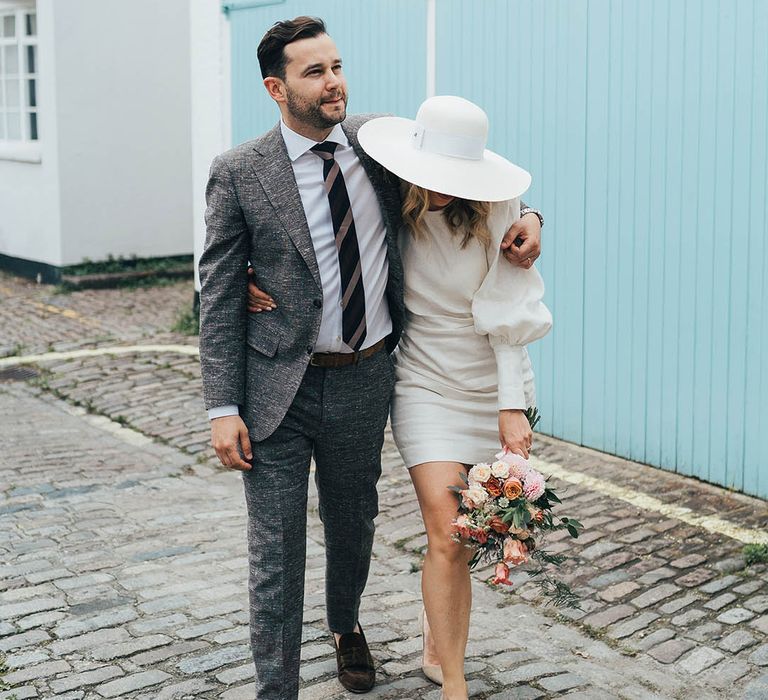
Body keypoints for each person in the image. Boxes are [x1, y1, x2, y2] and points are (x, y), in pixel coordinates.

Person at [200, 16, 544, 700]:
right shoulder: (240, 172)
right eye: (314, 72)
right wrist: (221, 405)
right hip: (279, 387)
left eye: (337, 66)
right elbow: (215, 287)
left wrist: (533, 217)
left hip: (367, 378)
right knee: (277, 549)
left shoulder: (379, 145)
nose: (335, 83)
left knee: (354, 522)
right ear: (276, 88)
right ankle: (278, 688)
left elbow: (469, 175)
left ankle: (345, 623)